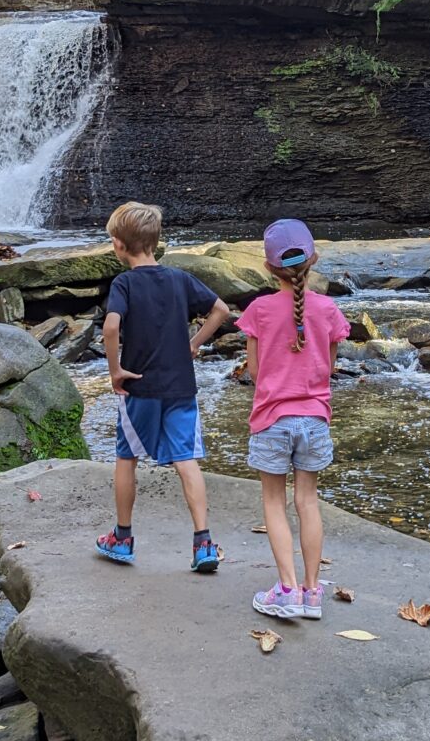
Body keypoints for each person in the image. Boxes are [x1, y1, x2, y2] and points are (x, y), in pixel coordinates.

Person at [95, 201, 230, 572]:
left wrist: (115, 371)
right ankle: (203, 543)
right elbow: (221, 311)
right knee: (186, 459)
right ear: (155, 242)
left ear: (119, 245)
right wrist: (194, 344)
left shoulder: (123, 283)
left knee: (127, 457)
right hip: (180, 386)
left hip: (140, 386)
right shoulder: (178, 279)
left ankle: (122, 537)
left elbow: (109, 328)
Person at [237, 219, 349, 620]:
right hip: (315, 419)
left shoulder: (259, 310)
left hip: (272, 418)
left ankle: (286, 590)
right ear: (314, 260)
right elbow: (331, 366)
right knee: (308, 501)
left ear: (269, 268)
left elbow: (253, 369)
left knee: (274, 501)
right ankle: (312, 592)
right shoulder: (329, 309)